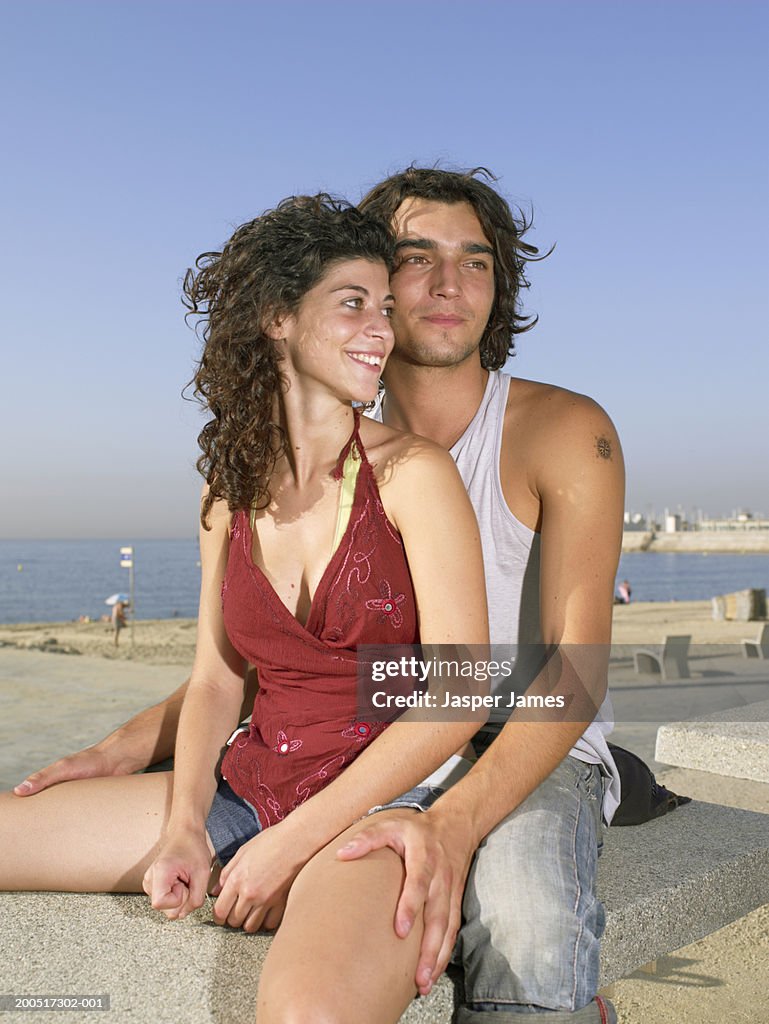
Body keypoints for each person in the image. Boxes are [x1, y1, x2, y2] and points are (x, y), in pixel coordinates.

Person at [14, 169, 625, 1022]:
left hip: (520, 734)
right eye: (414, 260)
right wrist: (126, 748)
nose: (448, 285)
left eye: (476, 261)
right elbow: (274, 665)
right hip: (344, 736)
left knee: (525, 927)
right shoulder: (268, 468)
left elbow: (573, 671)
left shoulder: (553, 435)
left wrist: (451, 824)